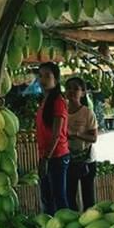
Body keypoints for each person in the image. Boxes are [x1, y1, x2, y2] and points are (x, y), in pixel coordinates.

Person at [36, 62, 69, 215]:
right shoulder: (45, 101)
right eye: (40, 75)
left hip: (57, 156)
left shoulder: (58, 102)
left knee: (58, 198)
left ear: (55, 79)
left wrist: (46, 159)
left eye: (47, 76)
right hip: (47, 155)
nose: (43, 79)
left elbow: (56, 134)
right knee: (47, 197)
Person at [65, 76, 98, 211]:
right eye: (68, 88)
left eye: (76, 89)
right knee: (69, 196)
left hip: (87, 160)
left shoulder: (87, 113)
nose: (71, 91)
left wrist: (77, 135)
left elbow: (94, 138)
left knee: (88, 197)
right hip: (68, 160)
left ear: (83, 93)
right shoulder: (62, 112)